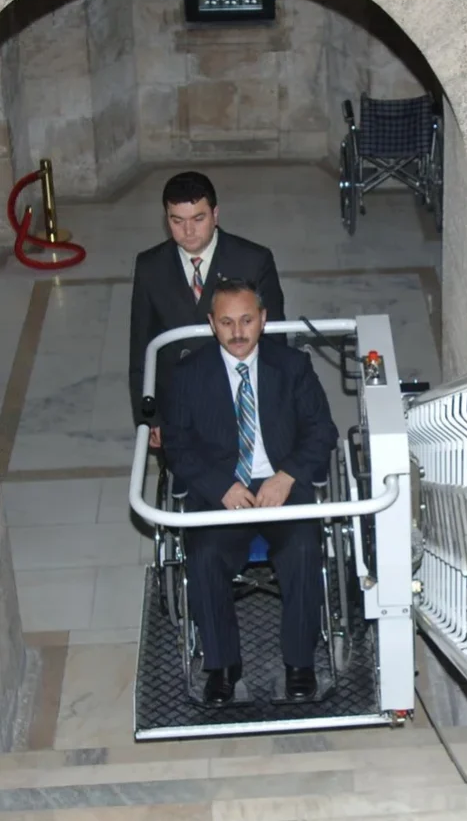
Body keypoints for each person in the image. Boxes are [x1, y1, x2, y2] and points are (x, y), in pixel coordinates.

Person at [161, 278, 338, 706]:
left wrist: (286, 475)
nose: (237, 332)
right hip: (223, 488)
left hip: (281, 483)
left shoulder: (292, 367)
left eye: (246, 320)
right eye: (226, 322)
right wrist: (220, 486)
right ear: (211, 323)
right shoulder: (188, 375)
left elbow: (322, 430)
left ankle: (300, 663)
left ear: (263, 319)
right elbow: (177, 446)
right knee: (204, 556)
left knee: (302, 548)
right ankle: (222, 666)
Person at [128, 171, 285, 446]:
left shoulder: (253, 261)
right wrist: (149, 417)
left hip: (239, 398)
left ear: (215, 214)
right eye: (177, 221)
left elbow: (275, 341)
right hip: (177, 402)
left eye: (198, 219)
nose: (188, 231)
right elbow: (141, 348)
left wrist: (270, 407)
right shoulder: (150, 267)